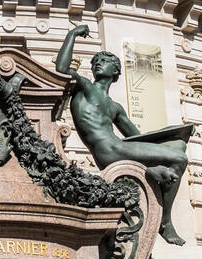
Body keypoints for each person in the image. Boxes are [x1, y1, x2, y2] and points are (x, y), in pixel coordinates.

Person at [55, 23, 191, 244]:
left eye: (105, 61)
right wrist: (72, 34)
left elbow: (138, 139)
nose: (99, 63)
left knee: (178, 147)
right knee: (179, 158)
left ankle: (153, 174)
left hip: (119, 147)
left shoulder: (114, 107)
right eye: (96, 61)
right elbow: (61, 69)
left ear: (116, 70)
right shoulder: (85, 88)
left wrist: (171, 134)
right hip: (109, 150)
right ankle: (165, 221)